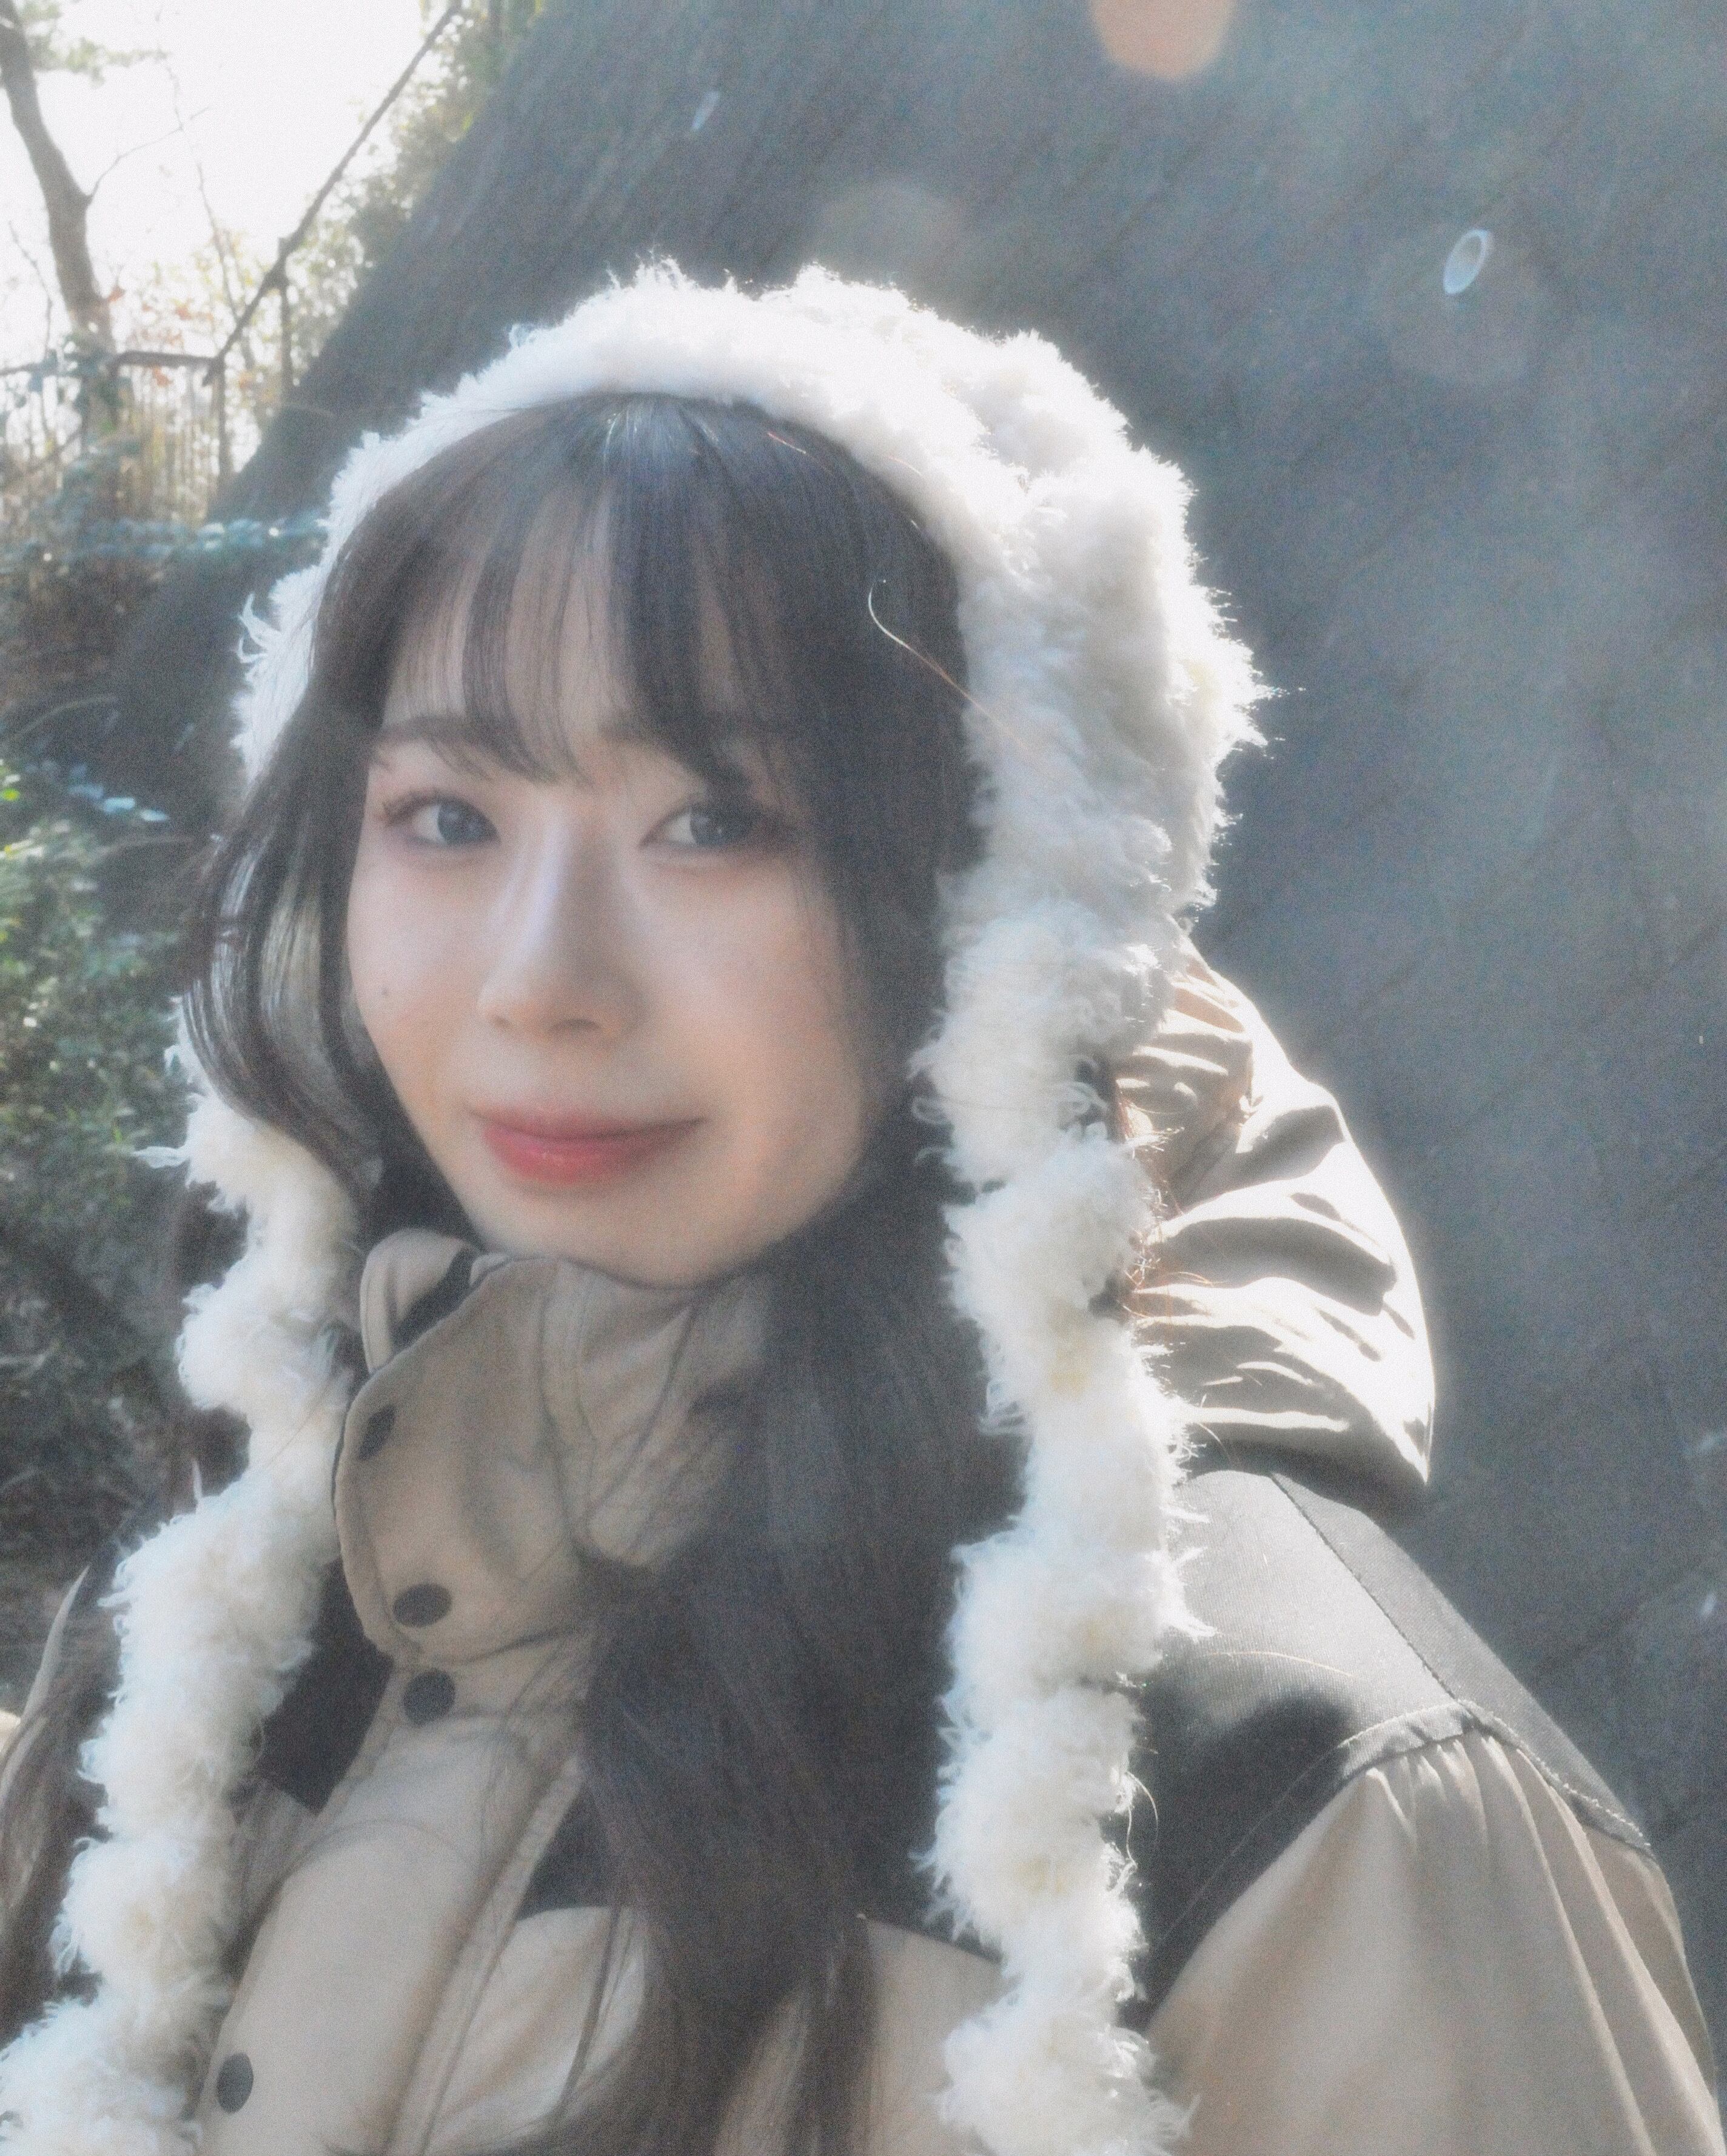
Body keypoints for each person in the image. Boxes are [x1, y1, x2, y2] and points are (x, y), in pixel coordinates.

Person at [0, 266, 1718, 2156]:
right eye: (448, 817)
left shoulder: (1295, 1794)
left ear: (989, 896)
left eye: (715, 820)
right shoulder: (212, 1633)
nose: (540, 981)